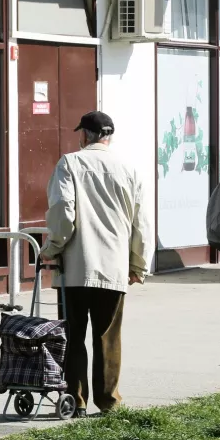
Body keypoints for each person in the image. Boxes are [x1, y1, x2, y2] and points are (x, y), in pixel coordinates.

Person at [41, 111, 154, 419]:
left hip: (76, 267)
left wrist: (51, 248)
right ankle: (109, 402)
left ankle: (75, 400)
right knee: (108, 336)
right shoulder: (129, 169)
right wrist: (138, 264)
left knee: (73, 336)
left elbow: (63, 213)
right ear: (109, 136)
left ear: (85, 136)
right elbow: (141, 222)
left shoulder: (70, 164)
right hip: (114, 267)